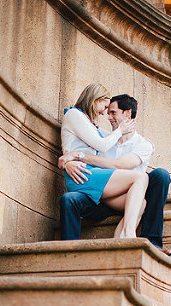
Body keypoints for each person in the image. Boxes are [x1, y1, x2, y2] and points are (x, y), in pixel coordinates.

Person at [58, 84, 151, 241]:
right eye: (104, 106)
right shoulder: (74, 114)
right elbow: (102, 144)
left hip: (90, 175)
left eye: (110, 110)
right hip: (83, 173)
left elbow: (105, 138)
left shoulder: (89, 123)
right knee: (140, 178)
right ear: (95, 99)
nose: (104, 113)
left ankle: (119, 241)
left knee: (140, 203)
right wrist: (120, 130)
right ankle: (129, 233)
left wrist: (134, 136)